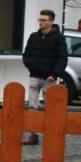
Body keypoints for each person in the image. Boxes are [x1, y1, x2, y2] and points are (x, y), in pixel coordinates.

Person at [21, 8, 67, 145]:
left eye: (43, 20)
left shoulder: (59, 39)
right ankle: (33, 135)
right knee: (32, 107)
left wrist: (54, 74)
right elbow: (26, 54)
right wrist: (29, 65)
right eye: (39, 19)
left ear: (51, 21)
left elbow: (62, 58)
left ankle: (53, 134)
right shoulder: (34, 36)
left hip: (49, 79)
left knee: (51, 108)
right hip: (34, 76)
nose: (40, 22)